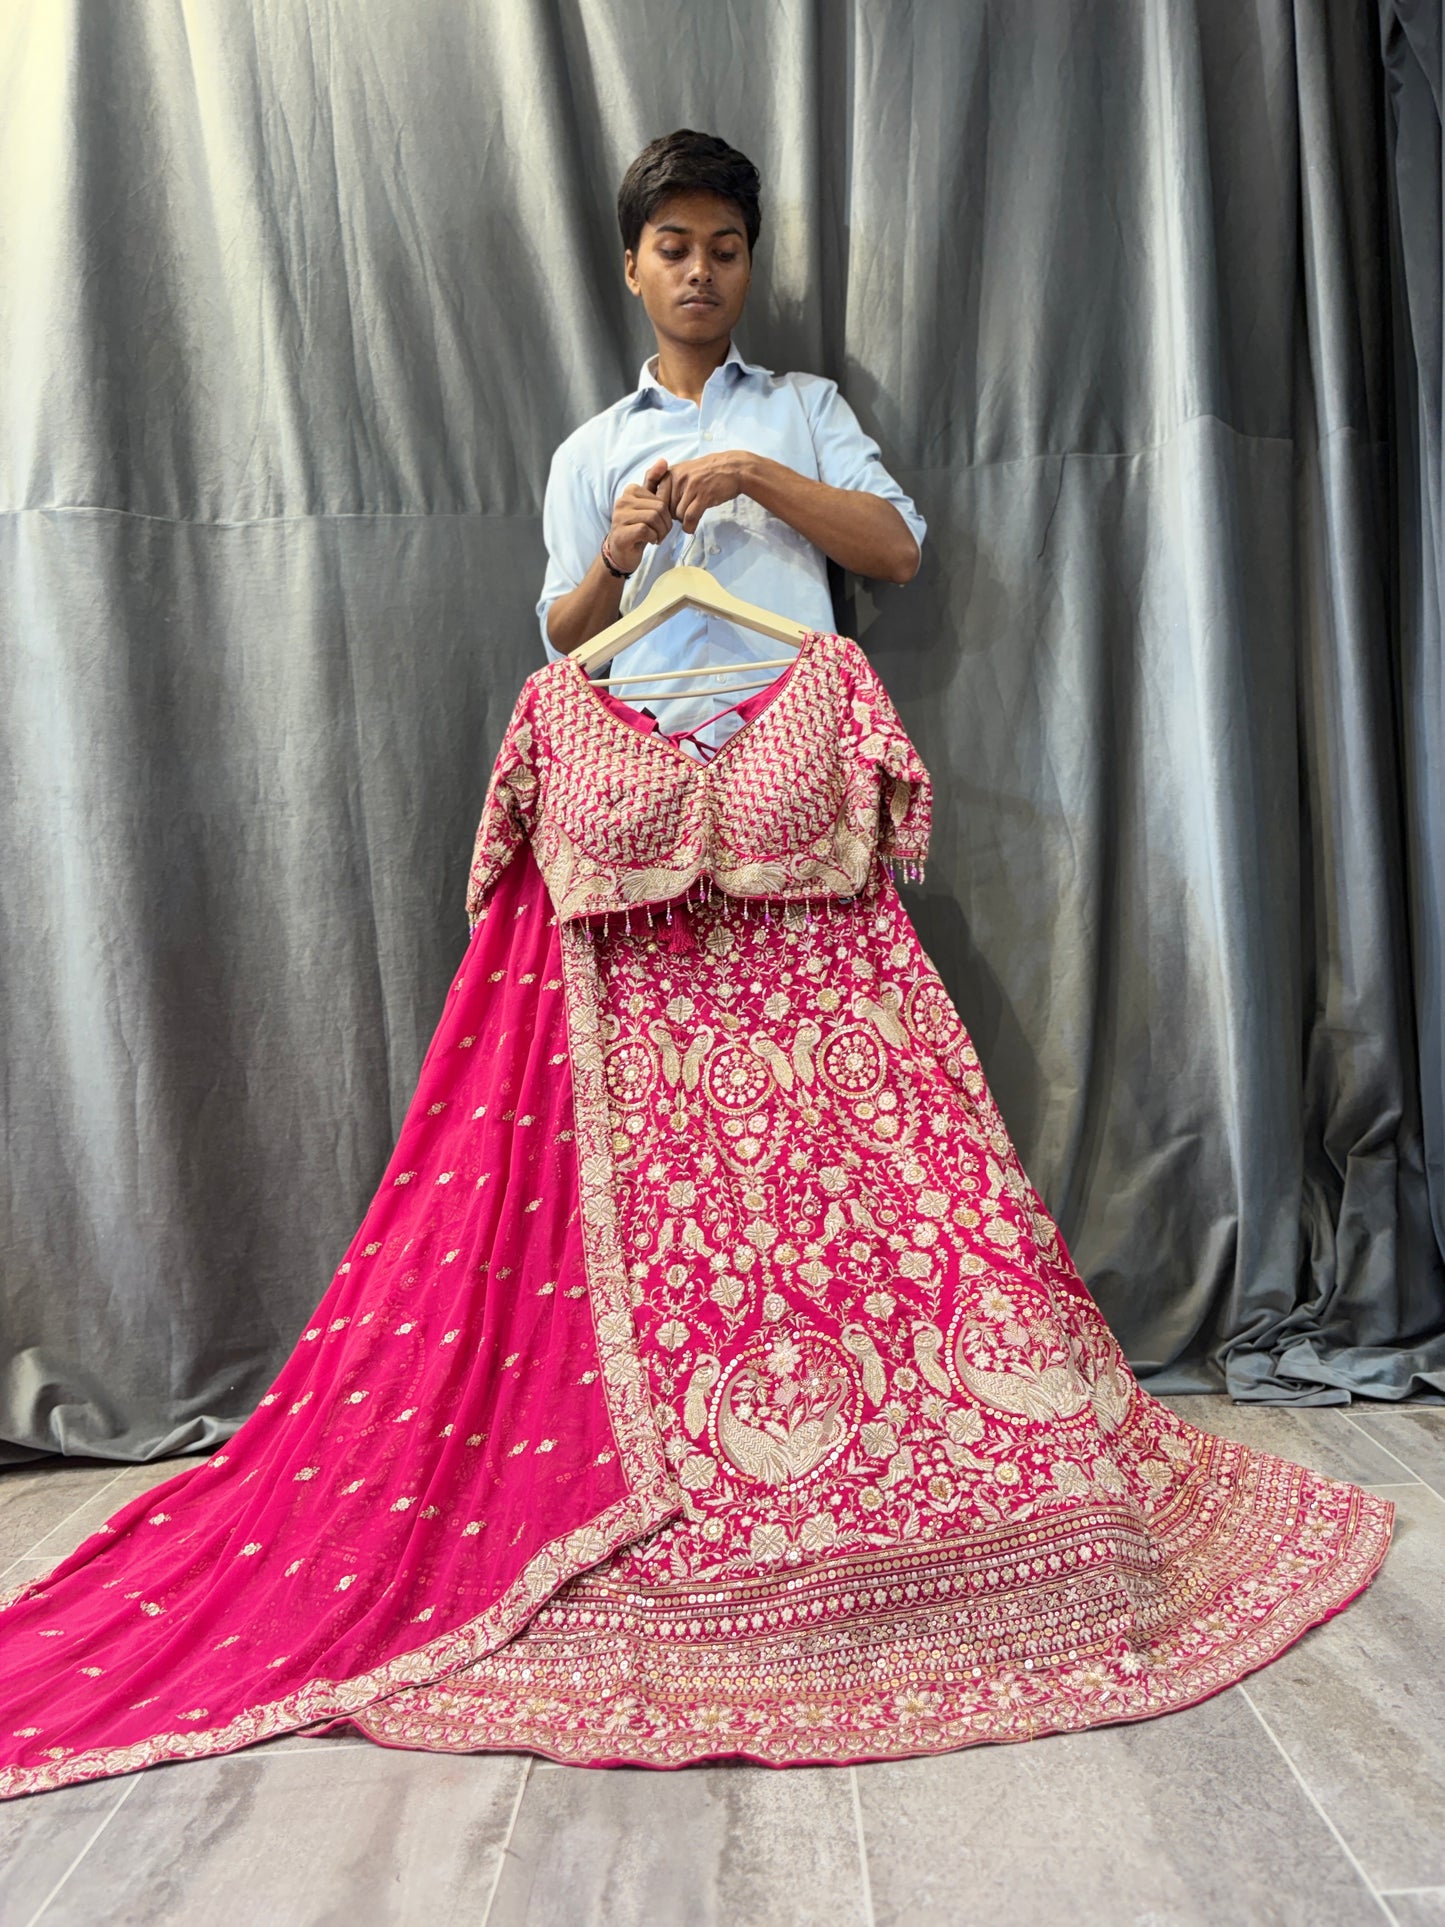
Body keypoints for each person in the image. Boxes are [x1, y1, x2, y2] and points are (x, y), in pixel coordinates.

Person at [536, 128, 927, 748]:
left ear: (747, 270)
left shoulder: (809, 406)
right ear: (634, 269)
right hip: (645, 769)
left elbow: (898, 553)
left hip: (795, 759)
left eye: (724, 253)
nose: (700, 272)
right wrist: (615, 557)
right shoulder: (588, 452)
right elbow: (567, 646)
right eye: (673, 250)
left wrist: (751, 473)